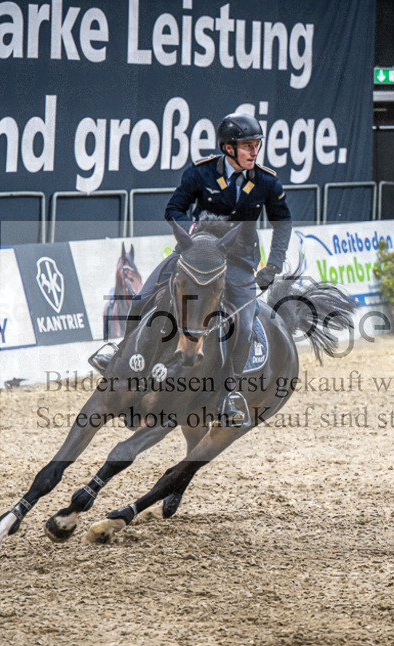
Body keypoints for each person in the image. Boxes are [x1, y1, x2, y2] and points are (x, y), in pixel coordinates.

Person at [89, 111, 293, 427]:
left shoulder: (266, 181)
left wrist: (274, 264)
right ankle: (118, 357)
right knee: (142, 297)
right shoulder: (201, 174)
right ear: (228, 148)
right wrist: (196, 231)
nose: (254, 151)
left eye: (256, 145)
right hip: (194, 253)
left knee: (246, 328)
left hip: (238, 263)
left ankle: (229, 393)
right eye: (248, 145)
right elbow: (174, 209)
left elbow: (283, 222)